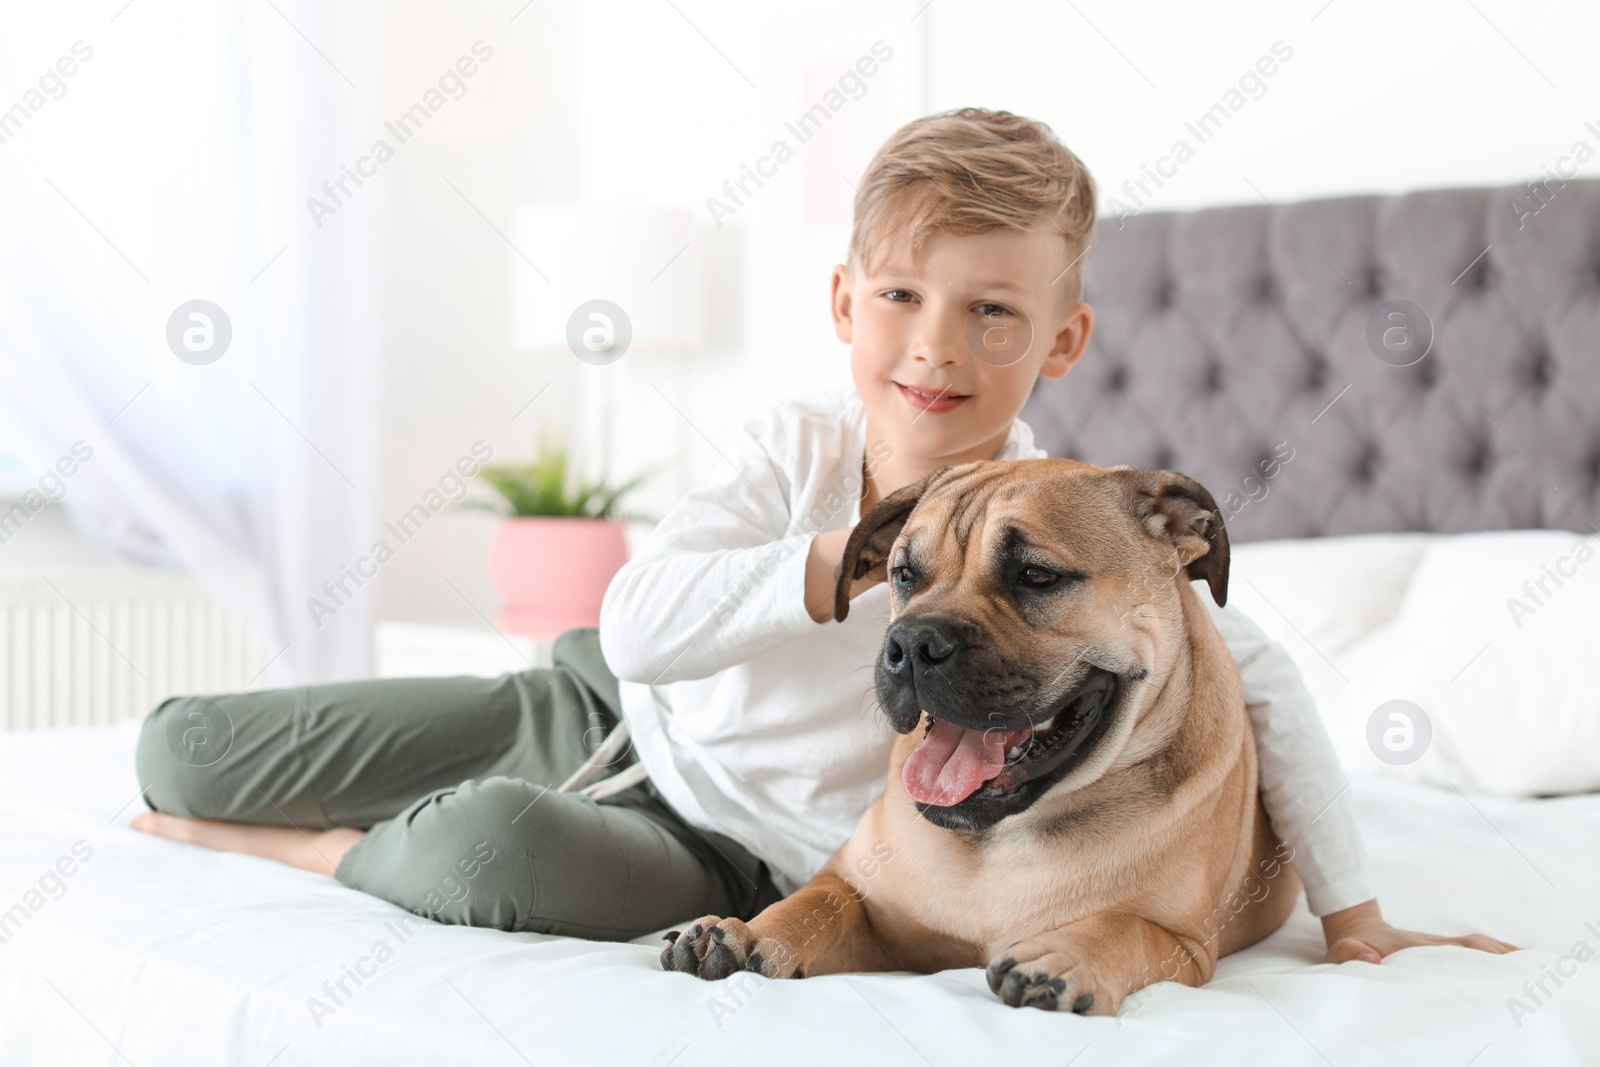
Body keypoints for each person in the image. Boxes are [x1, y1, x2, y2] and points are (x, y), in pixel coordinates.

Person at [133, 107, 1513, 965]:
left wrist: (1353, 912)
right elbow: (637, 625)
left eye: (993, 311)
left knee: (487, 854)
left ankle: (311, 852)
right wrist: (840, 557)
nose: (938, 346)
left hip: (726, 848)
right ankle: (295, 798)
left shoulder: (1082, 526)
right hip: (598, 708)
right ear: (846, 304)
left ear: (1064, 338)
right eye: (904, 296)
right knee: (179, 745)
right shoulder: (789, 449)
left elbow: (1258, 680)